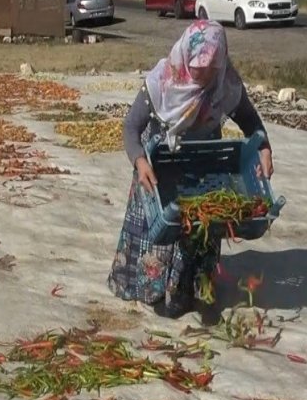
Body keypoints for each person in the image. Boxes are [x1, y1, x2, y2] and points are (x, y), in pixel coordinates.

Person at [107, 20, 273, 319]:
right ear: (185, 55)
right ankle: (152, 290)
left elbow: (251, 122)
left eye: (211, 68)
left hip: (203, 170)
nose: (203, 75)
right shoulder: (163, 81)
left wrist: (264, 149)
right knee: (160, 228)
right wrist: (140, 161)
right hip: (159, 169)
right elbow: (131, 127)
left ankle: (193, 291)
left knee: (198, 230)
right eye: (197, 67)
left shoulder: (226, 84)